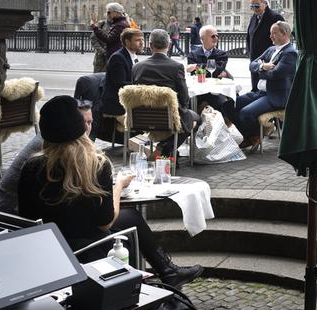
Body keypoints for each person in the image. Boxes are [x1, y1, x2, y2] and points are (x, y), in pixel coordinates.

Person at [17, 95, 203, 288]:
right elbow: (105, 223)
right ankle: (158, 278)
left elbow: (26, 218)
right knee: (130, 221)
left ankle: (168, 272)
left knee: (131, 216)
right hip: (89, 250)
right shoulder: (95, 164)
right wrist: (119, 186)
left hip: (49, 250)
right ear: (79, 128)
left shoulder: (31, 167)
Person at [0, 101, 94, 214]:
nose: (86, 128)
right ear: (69, 122)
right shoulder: (54, 145)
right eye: (82, 122)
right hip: (5, 214)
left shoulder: (53, 137)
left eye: (90, 122)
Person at [132, 29, 200, 157]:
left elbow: (134, 93)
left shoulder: (137, 67)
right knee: (196, 119)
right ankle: (165, 148)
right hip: (169, 118)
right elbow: (184, 98)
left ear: (151, 45)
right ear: (169, 46)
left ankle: (168, 152)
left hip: (141, 118)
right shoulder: (176, 67)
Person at [234, 21, 297, 149]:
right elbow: (252, 65)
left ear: (284, 34)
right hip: (260, 93)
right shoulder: (271, 49)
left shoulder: (290, 53)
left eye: (274, 33)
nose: (271, 36)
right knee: (229, 104)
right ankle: (252, 135)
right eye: (270, 33)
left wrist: (260, 71)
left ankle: (257, 134)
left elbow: (276, 74)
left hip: (275, 96)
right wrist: (263, 66)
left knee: (246, 113)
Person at [97, 28, 143, 144]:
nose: (142, 43)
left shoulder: (133, 56)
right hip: (116, 104)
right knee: (148, 118)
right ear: (127, 42)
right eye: (137, 40)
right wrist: (142, 85)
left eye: (142, 40)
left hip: (126, 101)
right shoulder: (118, 57)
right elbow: (121, 84)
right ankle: (141, 147)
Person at [246, 0, 285, 92]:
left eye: (257, 6)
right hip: (255, 60)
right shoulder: (254, 17)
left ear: (265, 3)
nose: (254, 9)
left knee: (265, 90)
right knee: (255, 88)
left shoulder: (275, 17)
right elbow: (249, 37)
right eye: (252, 7)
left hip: (269, 62)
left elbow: (283, 38)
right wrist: (249, 53)